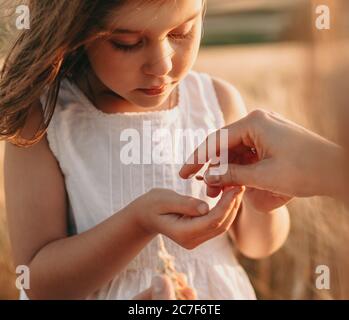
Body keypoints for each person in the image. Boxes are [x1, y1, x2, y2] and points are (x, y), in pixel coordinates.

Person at [1, 0, 290, 300]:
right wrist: (138, 223)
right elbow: (36, 282)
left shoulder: (216, 104)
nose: (162, 64)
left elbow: (257, 245)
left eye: (182, 32)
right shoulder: (45, 118)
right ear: (77, 31)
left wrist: (262, 199)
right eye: (128, 43)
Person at [179, 109, 348, 201]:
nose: (164, 65)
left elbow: (256, 245)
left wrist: (259, 209)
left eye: (180, 40)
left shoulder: (220, 98)